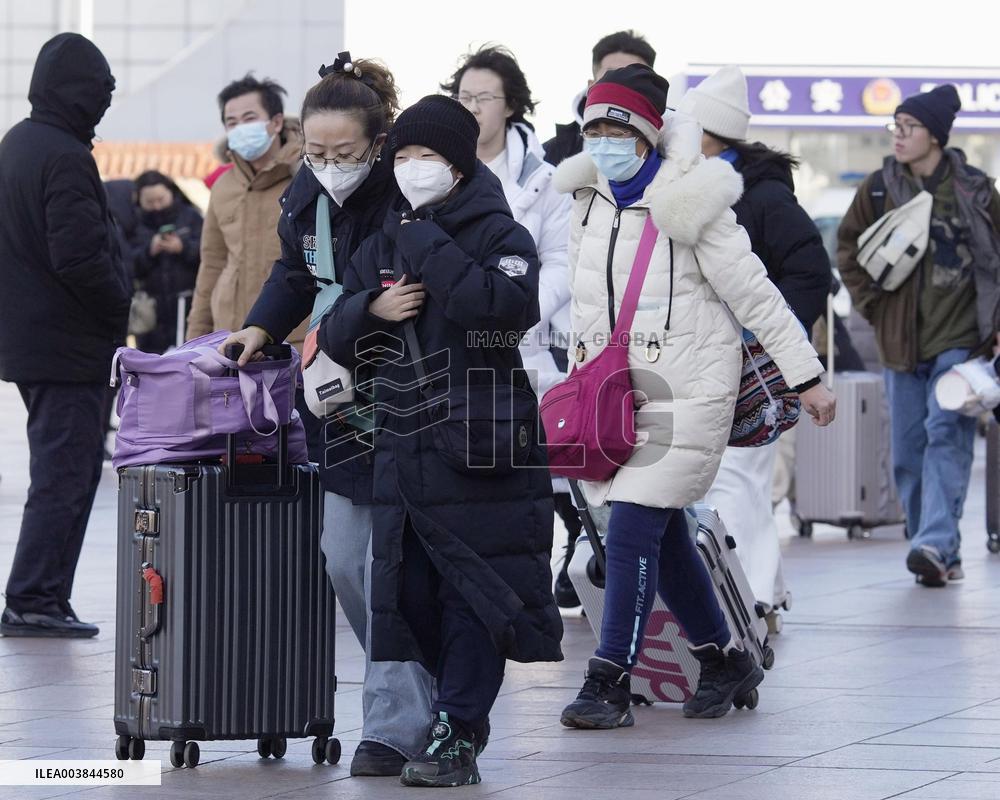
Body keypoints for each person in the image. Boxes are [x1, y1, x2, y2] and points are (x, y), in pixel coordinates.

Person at [553, 65, 835, 728]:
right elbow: (587, 304)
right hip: (619, 399)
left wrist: (809, 377)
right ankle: (722, 657)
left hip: (691, 392)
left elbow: (756, 294)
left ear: (650, 134)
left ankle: (609, 680)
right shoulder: (588, 199)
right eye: (593, 127)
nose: (604, 141)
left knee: (627, 532)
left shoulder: (695, 201)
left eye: (617, 129)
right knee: (665, 533)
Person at [322, 94, 563, 787]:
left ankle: (460, 728)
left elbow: (499, 314)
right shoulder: (382, 242)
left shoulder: (499, 234)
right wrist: (370, 309)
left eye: (427, 157)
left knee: (475, 596)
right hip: (403, 451)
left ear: (457, 166)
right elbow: (337, 334)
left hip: (479, 445)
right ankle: (438, 719)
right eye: (402, 156)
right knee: (413, 598)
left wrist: (426, 242)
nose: (412, 169)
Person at [221, 53, 436, 778]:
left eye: (343, 153)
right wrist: (259, 326)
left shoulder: (408, 192)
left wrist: (364, 312)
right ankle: (412, 695)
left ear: (377, 144)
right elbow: (293, 272)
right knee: (345, 560)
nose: (328, 165)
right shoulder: (305, 193)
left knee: (394, 565)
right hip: (332, 393)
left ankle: (398, 722)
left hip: (408, 395)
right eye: (315, 152)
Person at [678, 65, 832, 631]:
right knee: (734, 479)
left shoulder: (762, 197)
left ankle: (754, 596)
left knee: (741, 475)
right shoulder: (693, 188)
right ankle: (761, 590)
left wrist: (767, 342)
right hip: (704, 360)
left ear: (710, 135)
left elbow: (810, 272)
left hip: (753, 364)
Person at [838, 84, 1000, 587]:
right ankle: (933, 545)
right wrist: (874, 307)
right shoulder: (880, 188)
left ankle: (934, 542)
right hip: (900, 343)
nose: (898, 136)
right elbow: (848, 250)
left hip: (962, 340)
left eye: (909, 128)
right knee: (908, 451)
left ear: (936, 136)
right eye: (896, 127)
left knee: (945, 435)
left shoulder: (975, 189)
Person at [0, 34, 130, 637]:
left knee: (62, 469)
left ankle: (41, 596)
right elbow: (78, 256)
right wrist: (119, 301)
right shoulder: (64, 154)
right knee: (67, 474)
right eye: (101, 90)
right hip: (68, 347)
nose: (105, 102)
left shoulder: (19, 144)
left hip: (36, 342)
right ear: (79, 91)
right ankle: (35, 598)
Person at [441, 44, 578, 603]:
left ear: (512, 104)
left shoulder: (545, 180)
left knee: (540, 474)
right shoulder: (437, 171)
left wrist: (515, 313)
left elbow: (564, 261)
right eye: (463, 97)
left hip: (526, 343)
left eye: (483, 98)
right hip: (450, 345)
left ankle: (550, 575)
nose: (471, 107)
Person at [186, 74, 306, 351]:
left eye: (250, 118)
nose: (240, 128)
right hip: (229, 334)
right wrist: (196, 337)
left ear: (276, 122)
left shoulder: (305, 176)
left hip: (294, 334)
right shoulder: (223, 186)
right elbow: (212, 263)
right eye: (232, 123)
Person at [543, 30, 656, 168]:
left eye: (633, 79)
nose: (622, 89)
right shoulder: (549, 156)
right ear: (591, 86)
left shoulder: (675, 150)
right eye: (611, 77)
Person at [129, 171, 204, 353]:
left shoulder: (191, 216)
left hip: (188, 305)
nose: (156, 206)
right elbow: (127, 264)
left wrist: (183, 248)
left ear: (171, 193)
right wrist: (149, 251)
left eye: (161, 199)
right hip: (151, 312)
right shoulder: (133, 222)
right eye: (150, 202)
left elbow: (209, 255)